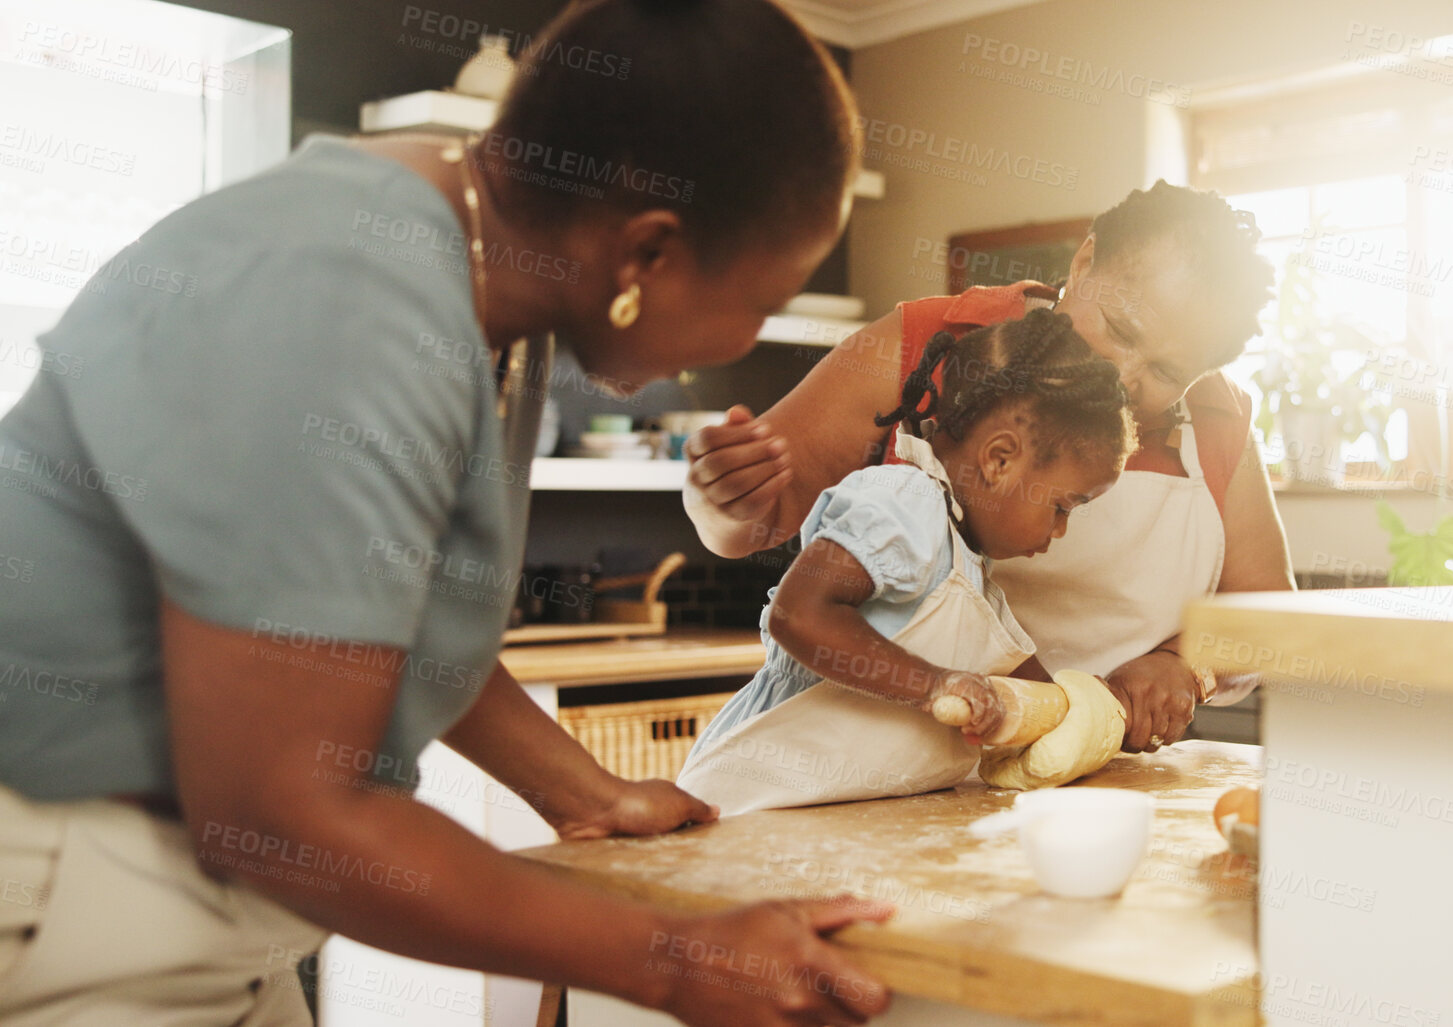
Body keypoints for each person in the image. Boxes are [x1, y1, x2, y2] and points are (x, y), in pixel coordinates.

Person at [0, 2, 894, 1025]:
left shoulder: (476, 265)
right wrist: (671, 958)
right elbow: (278, 810)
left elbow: (371, 614)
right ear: (646, 253)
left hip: (193, 905)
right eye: (759, 297)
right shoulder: (346, 295)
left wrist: (583, 791)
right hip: (54, 891)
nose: (734, 340)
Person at [684, 182, 1295, 753]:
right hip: (854, 763)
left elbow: (1272, 620)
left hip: (1077, 786)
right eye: (1118, 329)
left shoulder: (1219, 417)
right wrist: (722, 500)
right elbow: (752, 533)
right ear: (1083, 265)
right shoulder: (928, 341)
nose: (1124, 376)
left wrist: (1185, 665)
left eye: (1165, 373)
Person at [678, 309, 1135, 814]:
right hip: (752, 799)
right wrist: (933, 684)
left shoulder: (971, 574)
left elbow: (1035, 692)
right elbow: (800, 615)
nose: (1060, 531)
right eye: (1062, 507)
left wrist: (1101, 715)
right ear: (999, 459)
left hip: (828, 824)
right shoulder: (904, 500)